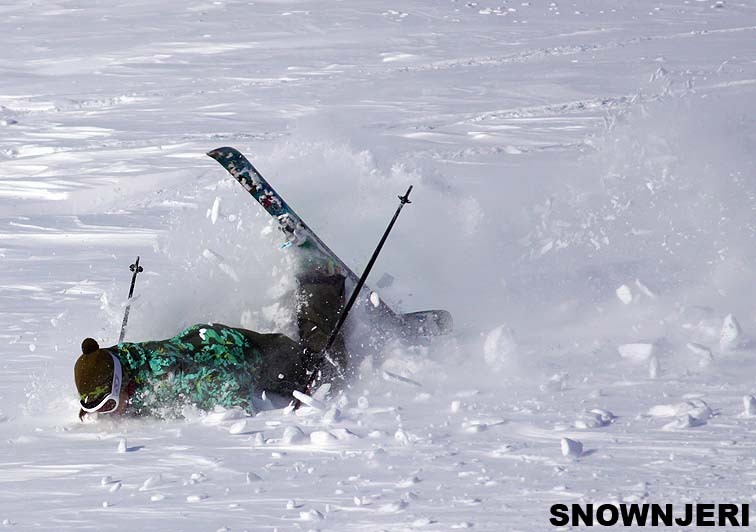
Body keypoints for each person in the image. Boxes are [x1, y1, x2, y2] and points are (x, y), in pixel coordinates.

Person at [74, 274, 347, 419]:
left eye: (109, 406)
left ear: (122, 384)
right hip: (204, 342)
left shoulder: (169, 380)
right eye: (98, 410)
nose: (108, 414)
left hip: (243, 353)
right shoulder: (115, 360)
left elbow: (231, 384)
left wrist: (233, 410)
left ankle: (321, 285)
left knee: (324, 375)